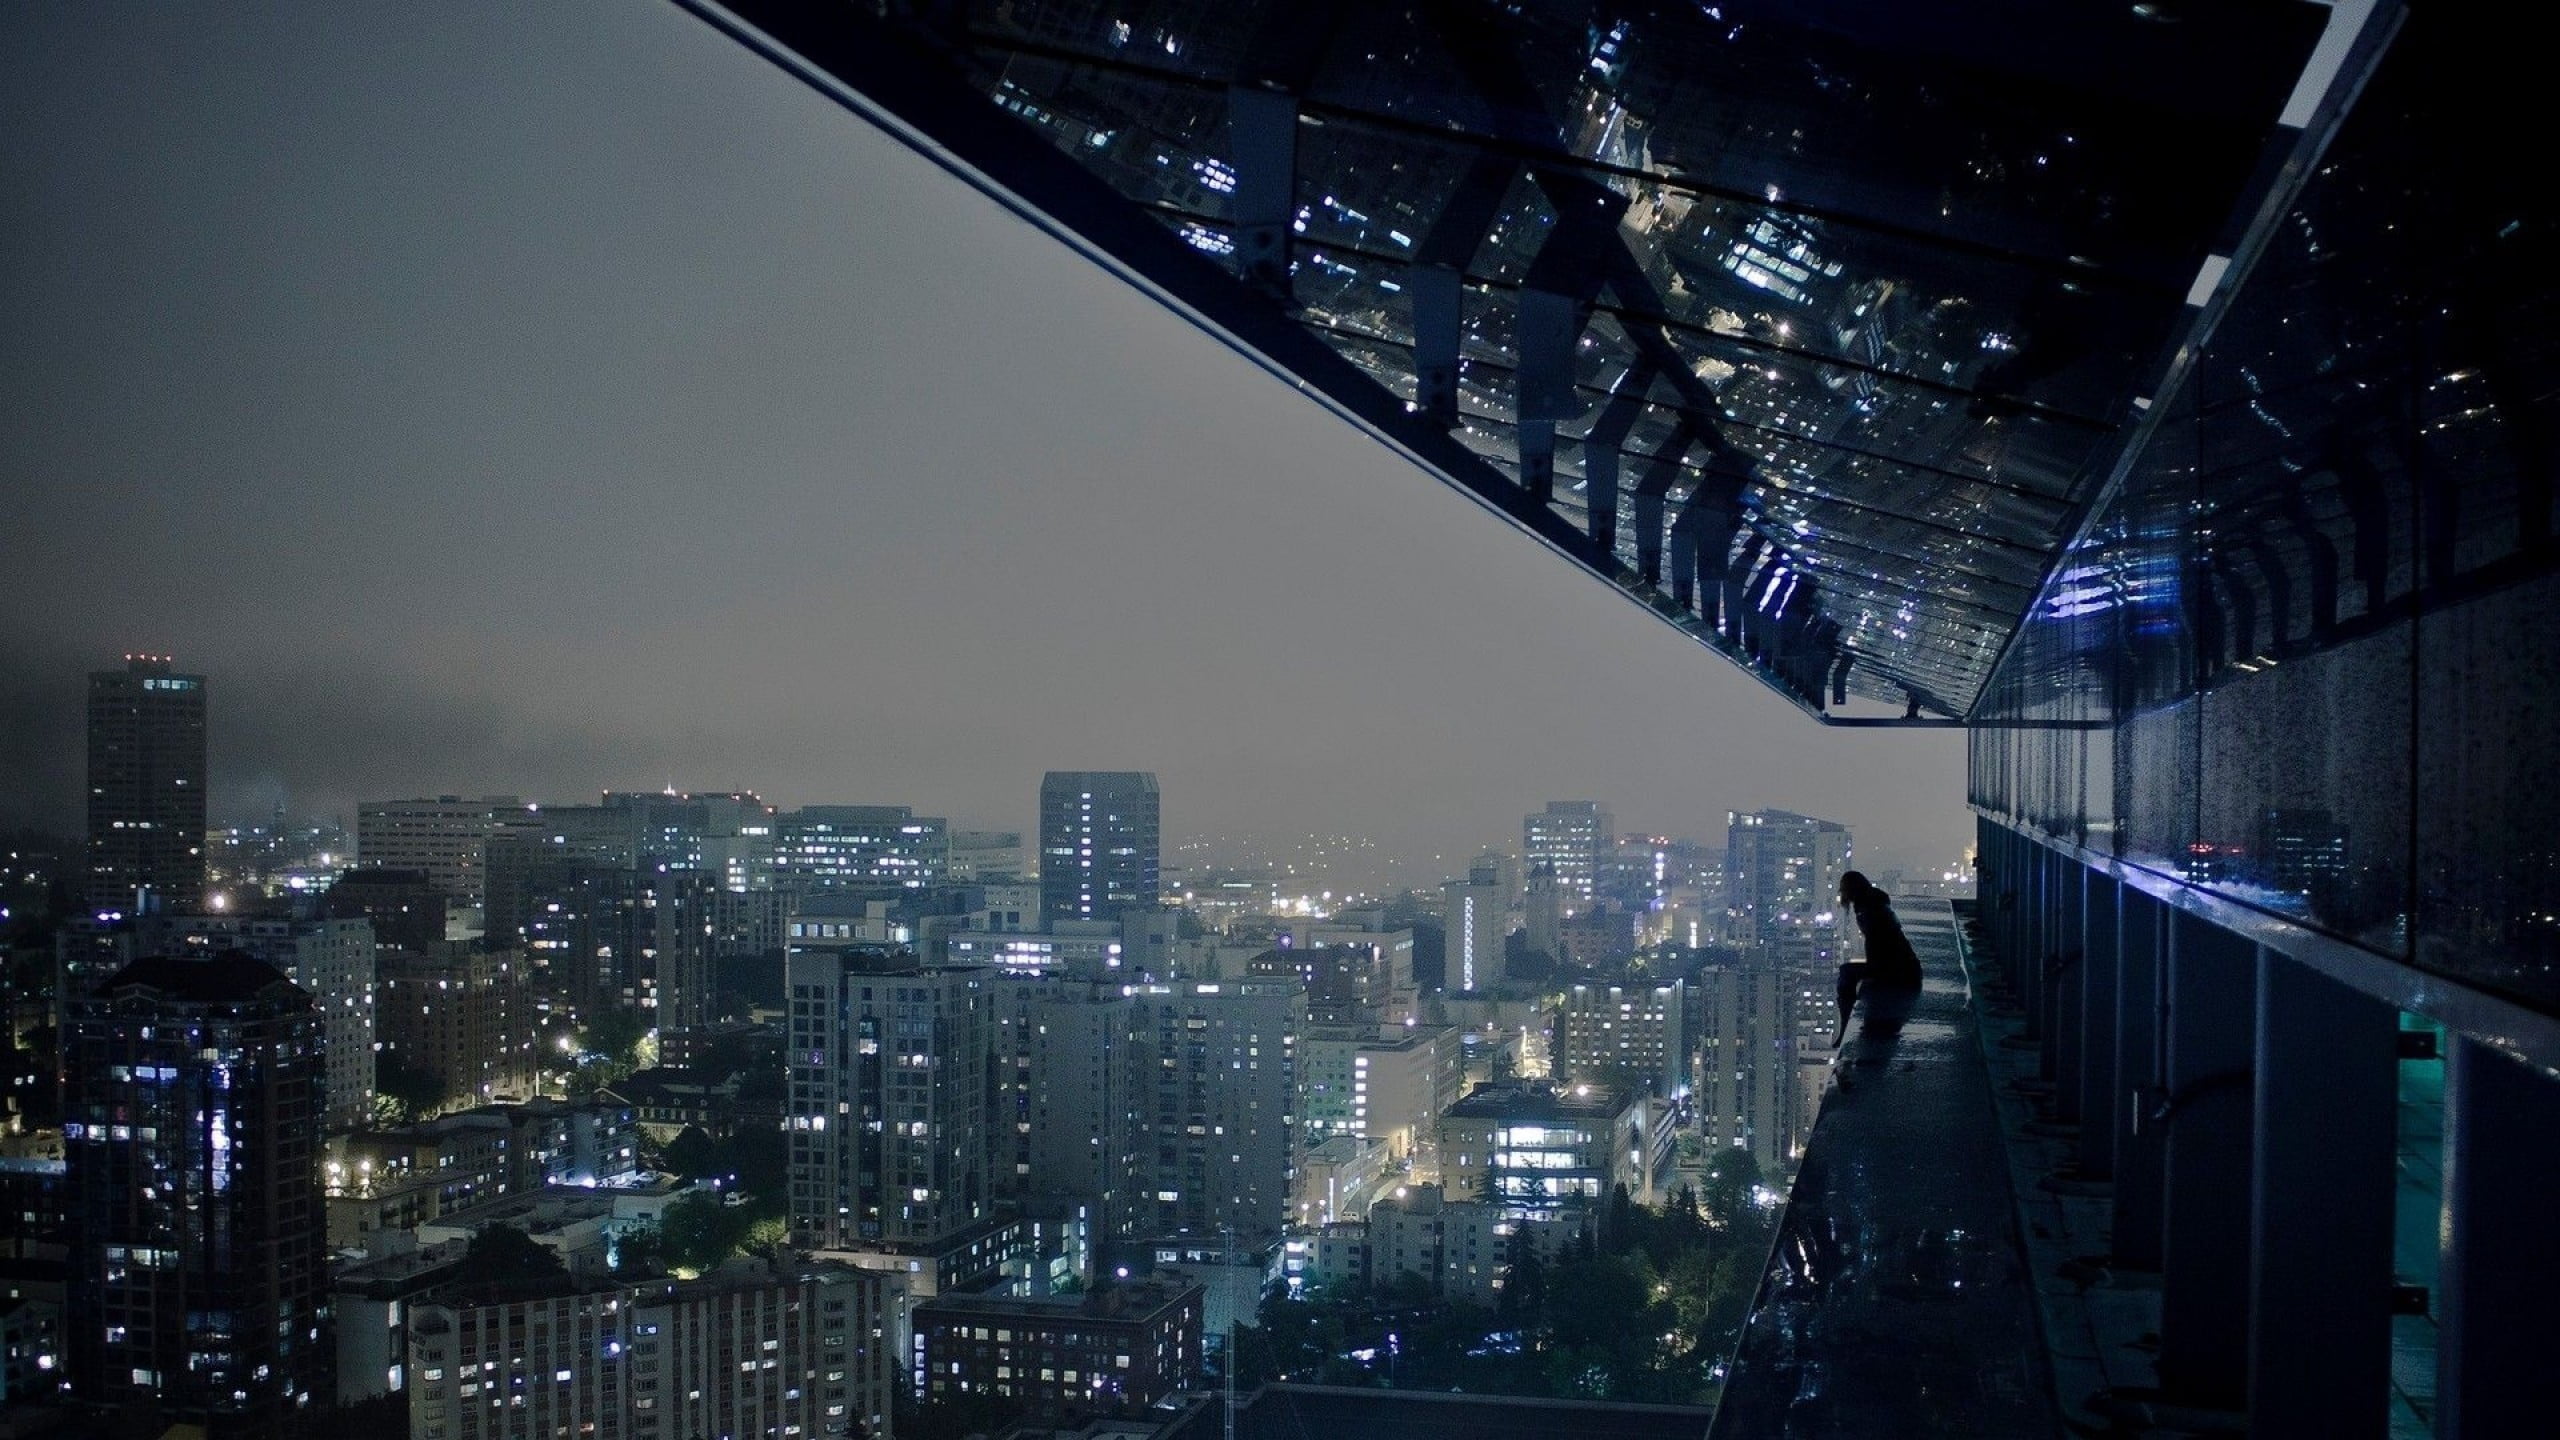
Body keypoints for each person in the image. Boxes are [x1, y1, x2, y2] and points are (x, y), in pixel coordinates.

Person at [1833, 870, 1922, 1044]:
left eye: (1844, 889)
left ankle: (1844, 1027)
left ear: (1851, 890)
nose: (1842, 894)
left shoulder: (1869, 910)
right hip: (1905, 968)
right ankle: (1844, 1025)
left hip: (1898, 971)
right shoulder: (1874, 903)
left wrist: (1873, 972)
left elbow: (1876, 944)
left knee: (1846, 973)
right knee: (1848, 973)